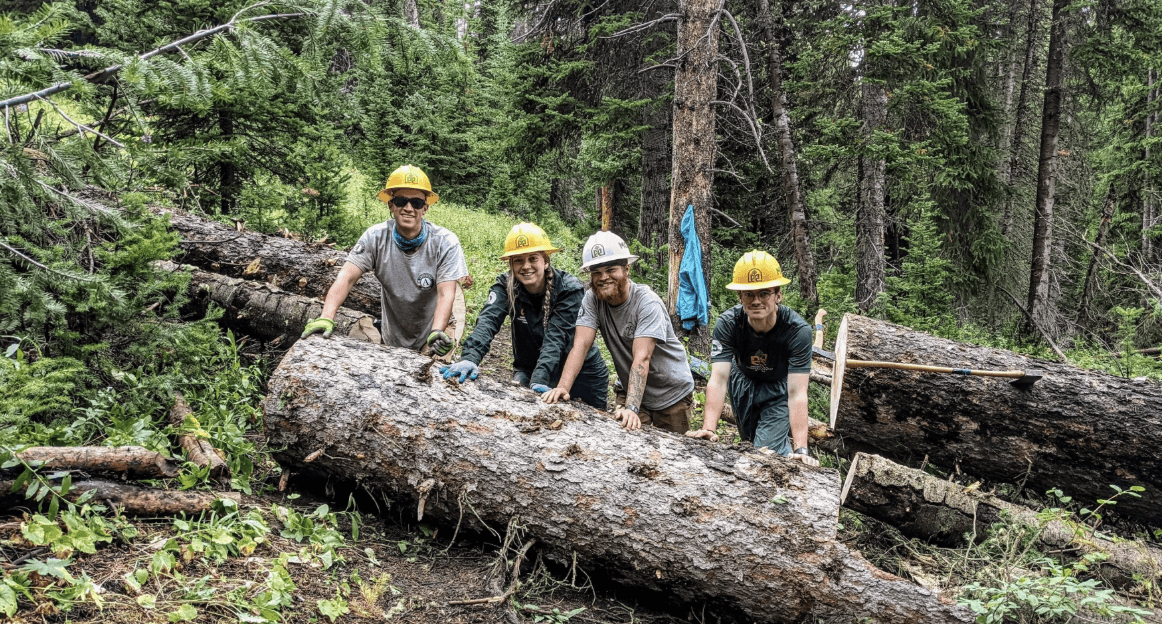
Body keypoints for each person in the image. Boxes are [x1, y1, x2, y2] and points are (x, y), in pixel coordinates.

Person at [301, 164, 467, 355]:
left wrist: (437, 331)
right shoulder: (376, 237)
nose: (408, 208)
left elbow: (446, 294)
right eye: (401, 200)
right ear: (391, 205)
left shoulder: (445, 243)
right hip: (392, 335)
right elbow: (346, 277)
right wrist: (326, 316)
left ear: (425, 208)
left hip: (435, 333)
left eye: (416, 203)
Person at [440, 223, 609, 409]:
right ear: (511, 264)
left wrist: (540, 380)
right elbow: (488, 321)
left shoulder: (568, 289)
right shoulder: (505, 286)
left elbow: (556, 338)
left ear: (545, 261)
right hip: (528, 369)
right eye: (518, 260)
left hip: (583, 376)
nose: (526, 266)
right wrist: (470, 358)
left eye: (532, 258)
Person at [543, 231, 695, 433]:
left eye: (611, 269)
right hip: (629, 388)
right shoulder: (592, 299)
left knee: (670, 458)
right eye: (596, 272)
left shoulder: (647, 303)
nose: (603, 277)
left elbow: (642, 358)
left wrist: (632, 408)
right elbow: (581, 345)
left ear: (626, 269)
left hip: (670, 394)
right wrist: (563, 387)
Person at [686, 250, 819, 467]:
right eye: (749, 294)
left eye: (764, 293)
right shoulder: (728, 323)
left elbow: (797, 393)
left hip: (777, 389)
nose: (756, 301)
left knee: (761, 455)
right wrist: (708, 429)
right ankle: (780, 453)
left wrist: (801, 449)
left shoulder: (797, 331)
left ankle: (785, 459)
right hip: (742, 382)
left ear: (778, 295)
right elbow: (718, 379)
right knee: (749, 444)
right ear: (739, 296)